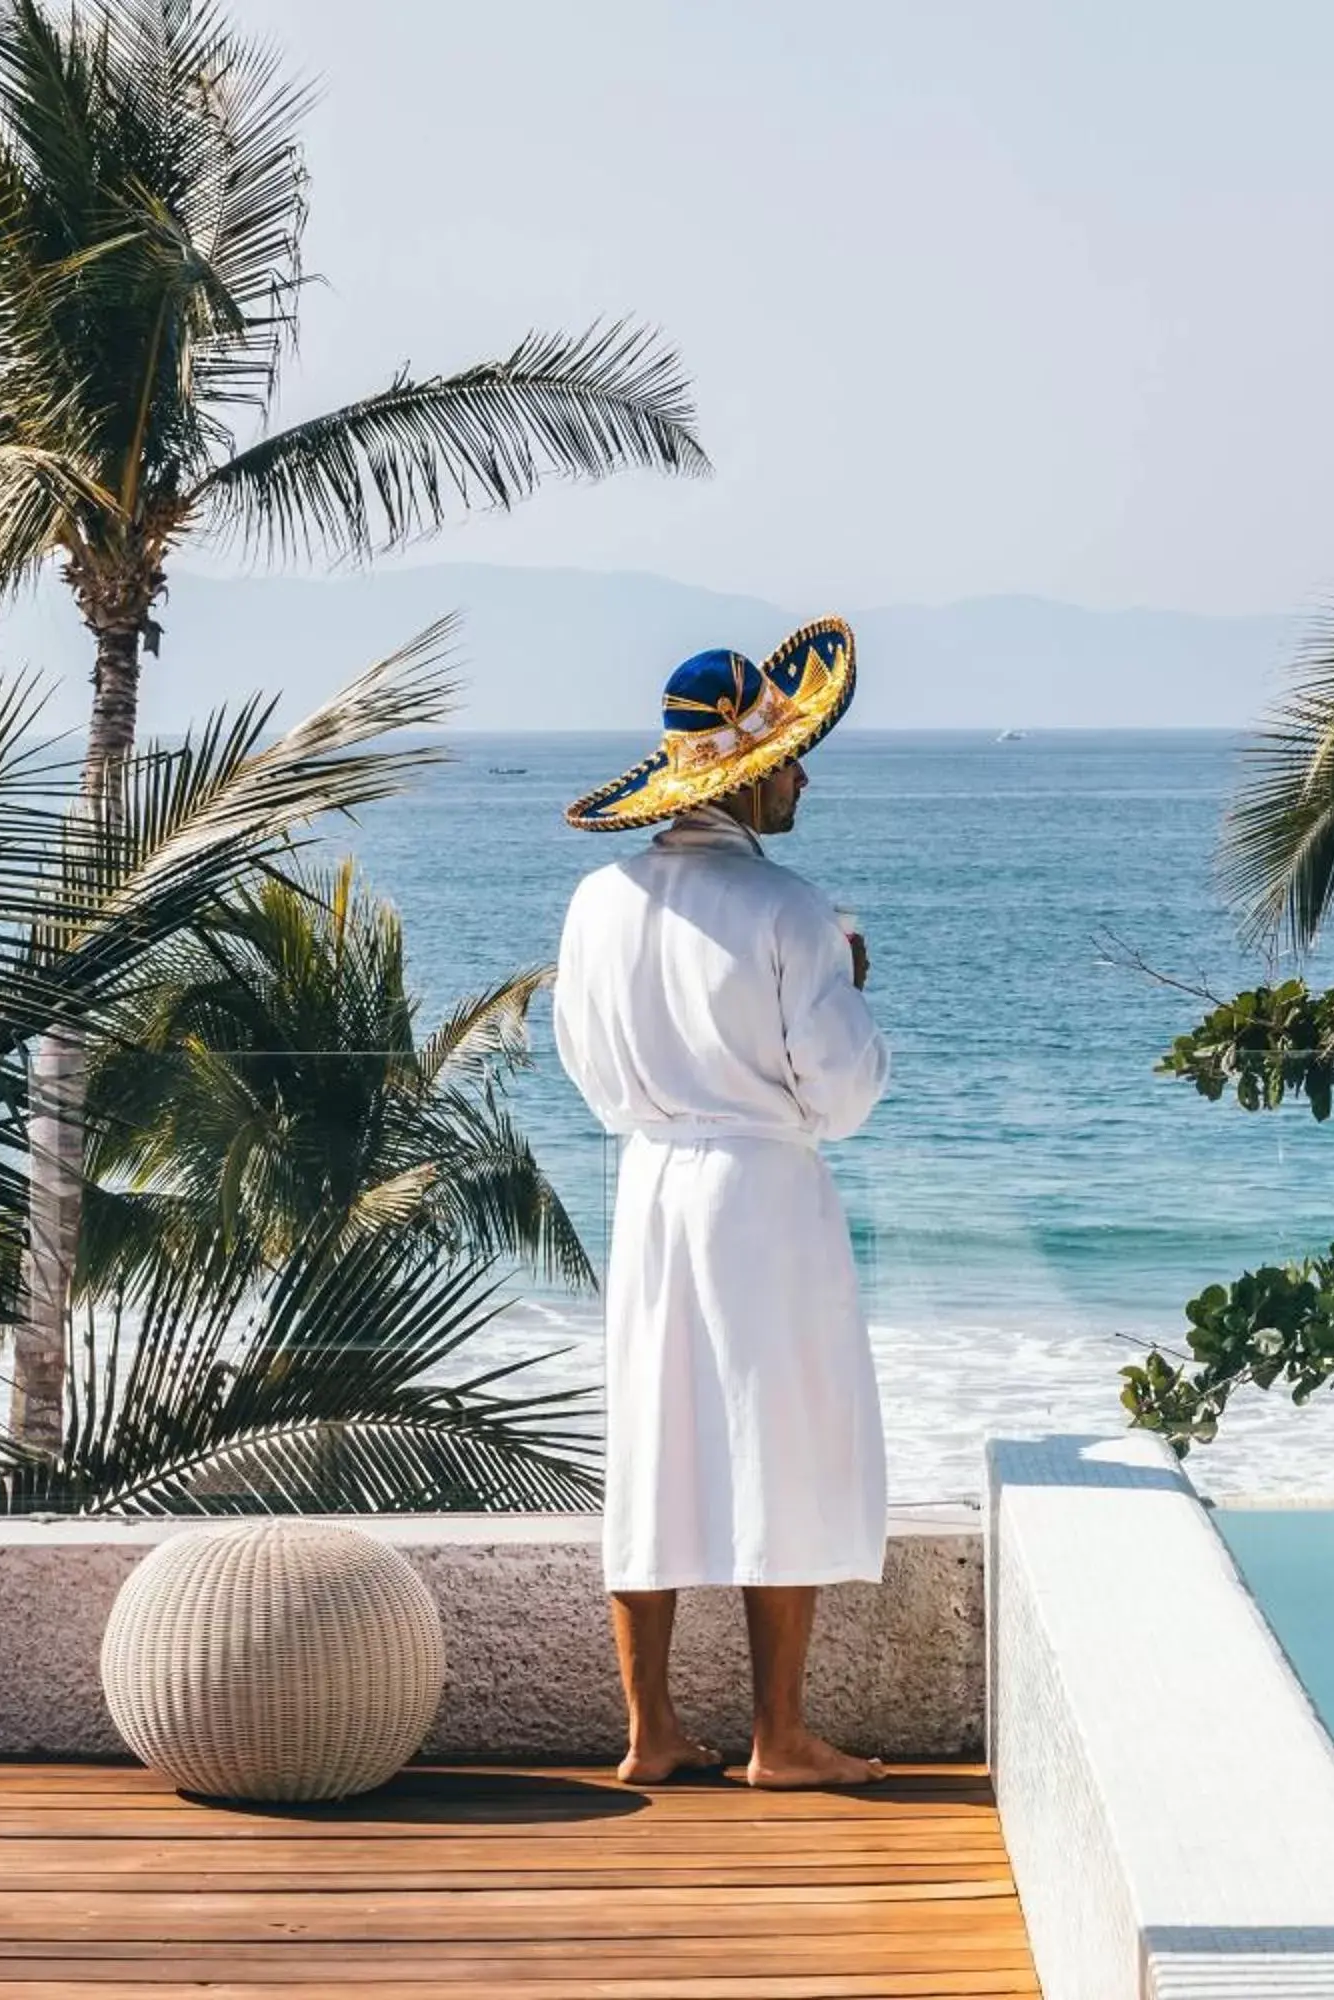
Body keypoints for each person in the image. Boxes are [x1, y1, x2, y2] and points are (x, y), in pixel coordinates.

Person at [551, 617, 891, 1790]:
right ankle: (778, 1736)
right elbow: (842, 1094)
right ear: (748, 783)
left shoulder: (599, 904)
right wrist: (849, 978)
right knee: (774, 1438)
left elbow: (589, 1069)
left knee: (652, 1438)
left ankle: (649, 1729)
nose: (804, 774)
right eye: (791, 758)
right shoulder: (794, 911)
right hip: (760, 1189)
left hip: (648, 1181)